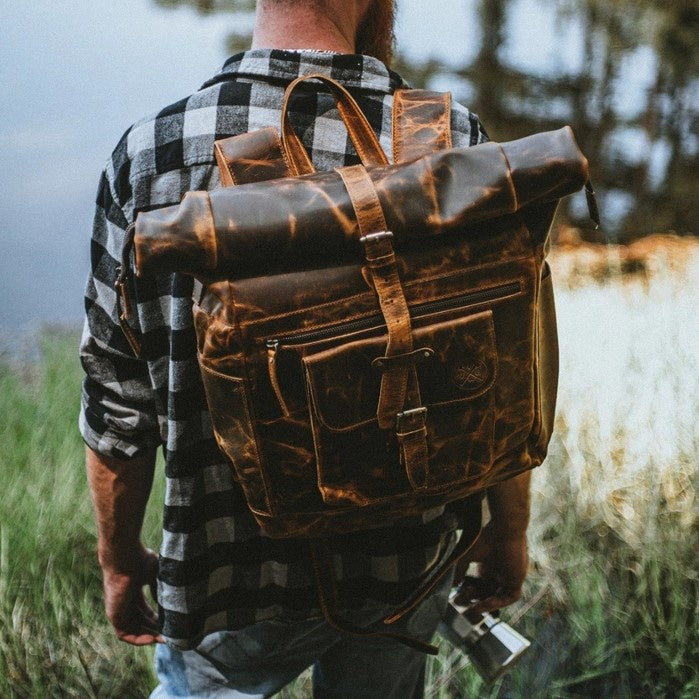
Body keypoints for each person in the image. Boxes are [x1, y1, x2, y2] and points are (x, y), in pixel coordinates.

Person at [80, 1, 531, 696]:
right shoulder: (448, 140)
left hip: (224, 567)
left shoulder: (154, 152)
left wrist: (117, 559)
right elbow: (502, 367)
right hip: (401, 562)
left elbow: (118, 404)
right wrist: (505, 530)